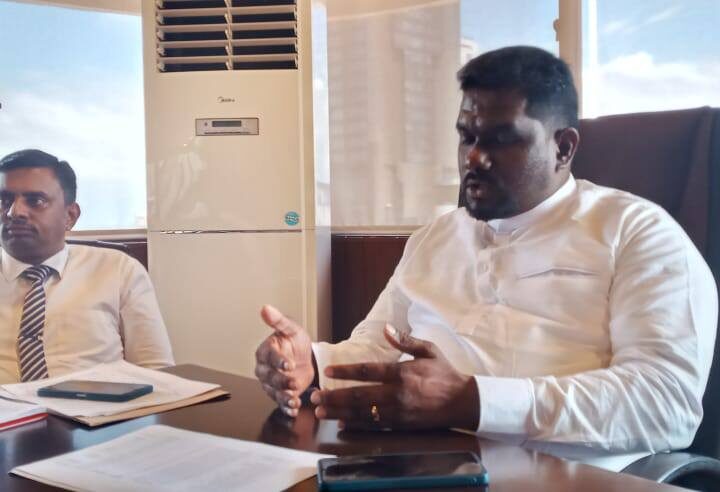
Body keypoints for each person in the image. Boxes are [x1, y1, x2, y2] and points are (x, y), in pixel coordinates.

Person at [254, 46, 718, 469]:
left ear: (563, 147)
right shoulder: (435, 236)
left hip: (562, 477)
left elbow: (666, 404)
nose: (473, 158)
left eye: (501, 139)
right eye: (467, 136)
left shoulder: (638, 234)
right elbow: (379, 347)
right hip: (415, 466)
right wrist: (312, 365)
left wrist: (473, 401)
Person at [0, 149, 174, 383]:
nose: (14, 212)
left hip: (99, 405)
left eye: (35, 201)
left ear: (70, 216)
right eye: (4, 201)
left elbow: (156, 371)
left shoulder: (118, 270)